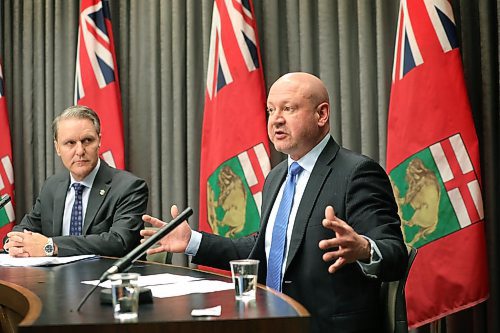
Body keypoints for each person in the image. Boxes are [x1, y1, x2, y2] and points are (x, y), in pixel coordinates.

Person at [141, 72, 407, 333]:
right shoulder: (276, 177)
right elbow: (264, 249)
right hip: (271, 320)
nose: (276, 120)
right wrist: (193, 241)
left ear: (321, 114)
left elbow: (395, 253)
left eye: (288, 109)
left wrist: (364, 248)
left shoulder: (356, 172)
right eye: (270, 110)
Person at [3, 105, 148, 257]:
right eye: (70, 143)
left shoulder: (129, 187)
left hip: (105, 277)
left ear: (99, 141)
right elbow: (25, 228)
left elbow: (119, 242)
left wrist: (51, 246)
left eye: (87, 141)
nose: (79, 151)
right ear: (57, 148)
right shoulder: (52, 186)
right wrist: (13, 243)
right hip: (55, 278)